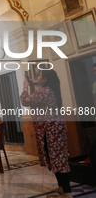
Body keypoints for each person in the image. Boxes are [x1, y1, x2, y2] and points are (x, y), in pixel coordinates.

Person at [20, 70, 72, 198]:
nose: (37, 76)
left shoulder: (45, 91)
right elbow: (36, 101)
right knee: (55, 158)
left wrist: (25, 86)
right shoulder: (48, 90)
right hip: (52, 128)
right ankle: (61, 187)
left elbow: (25, 101)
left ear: (45, 79)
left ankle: (67, 192)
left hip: (51, 129)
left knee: (59, 160)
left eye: (39, 75)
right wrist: (32, 86)